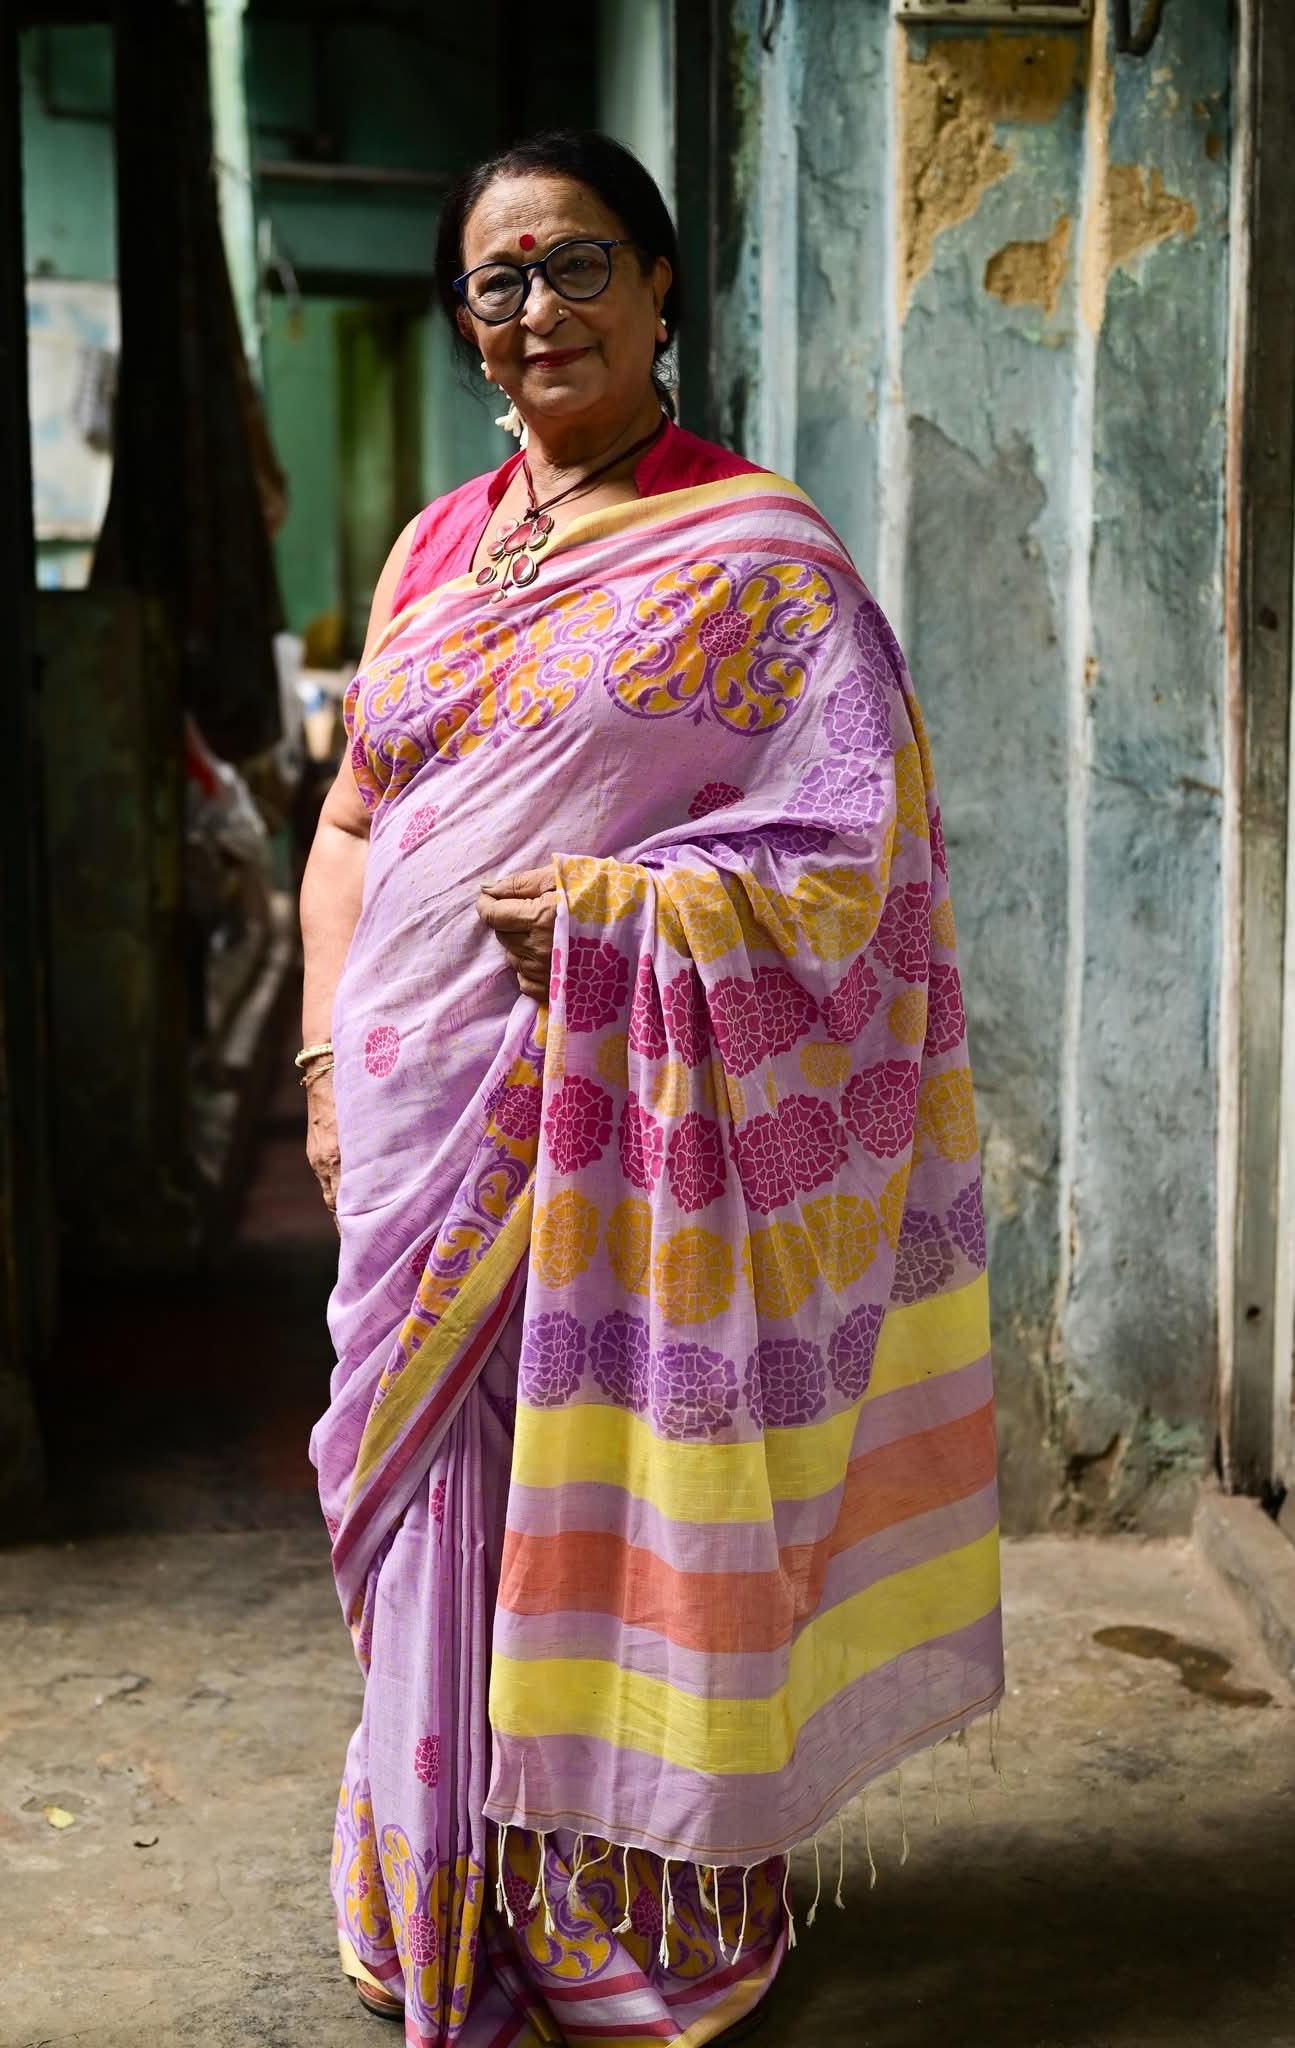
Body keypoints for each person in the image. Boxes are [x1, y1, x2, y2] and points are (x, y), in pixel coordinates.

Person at [301, 128, 1003, 2046]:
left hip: (610, 1124)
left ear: (663, 283)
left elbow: (864, 858)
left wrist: (634, 917)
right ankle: (438, 1882)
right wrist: (323, 1059)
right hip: (411, 1115)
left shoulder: (758, 557)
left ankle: (626, 1908)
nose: (540, 307)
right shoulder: (435, 549)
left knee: (587, 1497)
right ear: (467, 321)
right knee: (428, 1502)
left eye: (580, 263)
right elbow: (352, 822)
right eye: (500, 279)